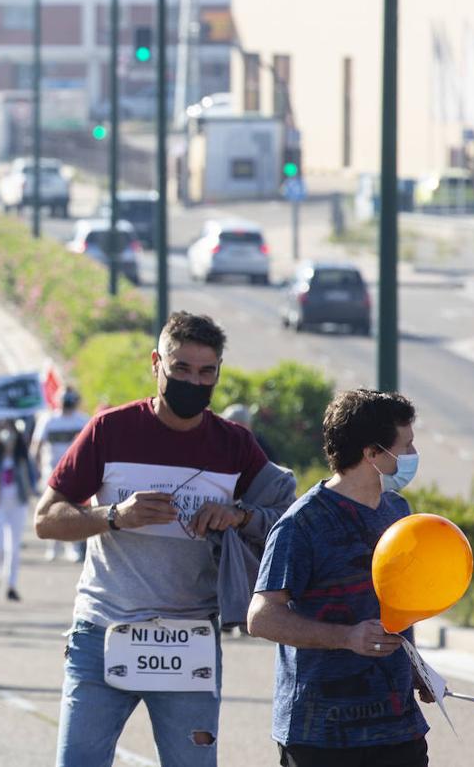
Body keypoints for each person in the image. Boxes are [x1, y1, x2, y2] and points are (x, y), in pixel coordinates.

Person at [35, 311, 290, 767]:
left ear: (218, 373)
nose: (194, 381)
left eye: (206, 372)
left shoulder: (234, 445)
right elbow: (47, 519)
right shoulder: (110, 430)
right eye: (181, 369)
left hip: (189, 637)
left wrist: (238, 515)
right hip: (104, 629)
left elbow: (285, 524)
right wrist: (115, 515)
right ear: (157, 364)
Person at [248, 390, 432, 767]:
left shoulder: (398, 510)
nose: (412, 455)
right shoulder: (302, 523)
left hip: (398, 728)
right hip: (322, 736)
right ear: (373, 454)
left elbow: (394, 603)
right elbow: (260, 616)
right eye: (406, 445)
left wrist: (416, 667)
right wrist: (347, 638)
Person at [30, 387, 90, 563]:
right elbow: (37, 445)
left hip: (75, 473)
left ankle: (72, 546)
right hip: (52, 472)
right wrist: (36, 467)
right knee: (50, 509)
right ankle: (53, 546)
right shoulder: (49, 420)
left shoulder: (82, 421)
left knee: (74, 510)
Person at [0, 419, 35, 602]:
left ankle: (11, 585)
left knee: (13, 547)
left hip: (17, 504)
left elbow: (32, 477)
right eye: (4, 430)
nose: (8, 436)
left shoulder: (22, 457)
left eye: (11, 431)